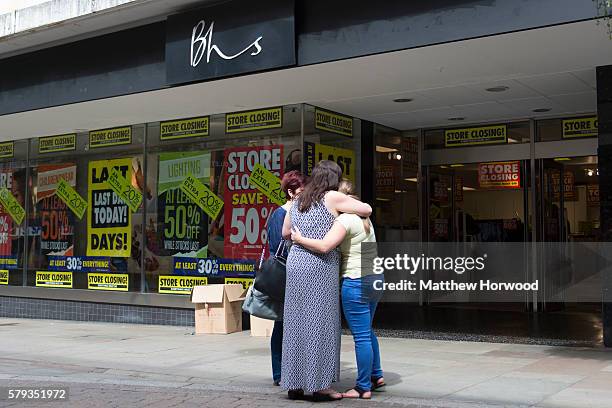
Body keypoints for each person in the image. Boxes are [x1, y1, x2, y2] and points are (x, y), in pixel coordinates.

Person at [280, 161, 372, 401]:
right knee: (321, 323)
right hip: (321, 266)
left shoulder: (298, 199)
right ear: (334, 178)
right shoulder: (332, 197)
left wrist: (301, 237)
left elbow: (285, 233)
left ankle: (294, 383)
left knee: (296, 322)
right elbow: (367, 209)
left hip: (296, 264)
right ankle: (320, 386)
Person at [265, 170, 306, 386]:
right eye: (300, 190)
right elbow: (275, 249)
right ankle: (279, 372)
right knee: (281, 325)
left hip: (297, 277)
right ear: (290, 192)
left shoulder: (302, 211)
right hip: (284, 276)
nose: (304, 193)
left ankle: (291, 370)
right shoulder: (280, 215)